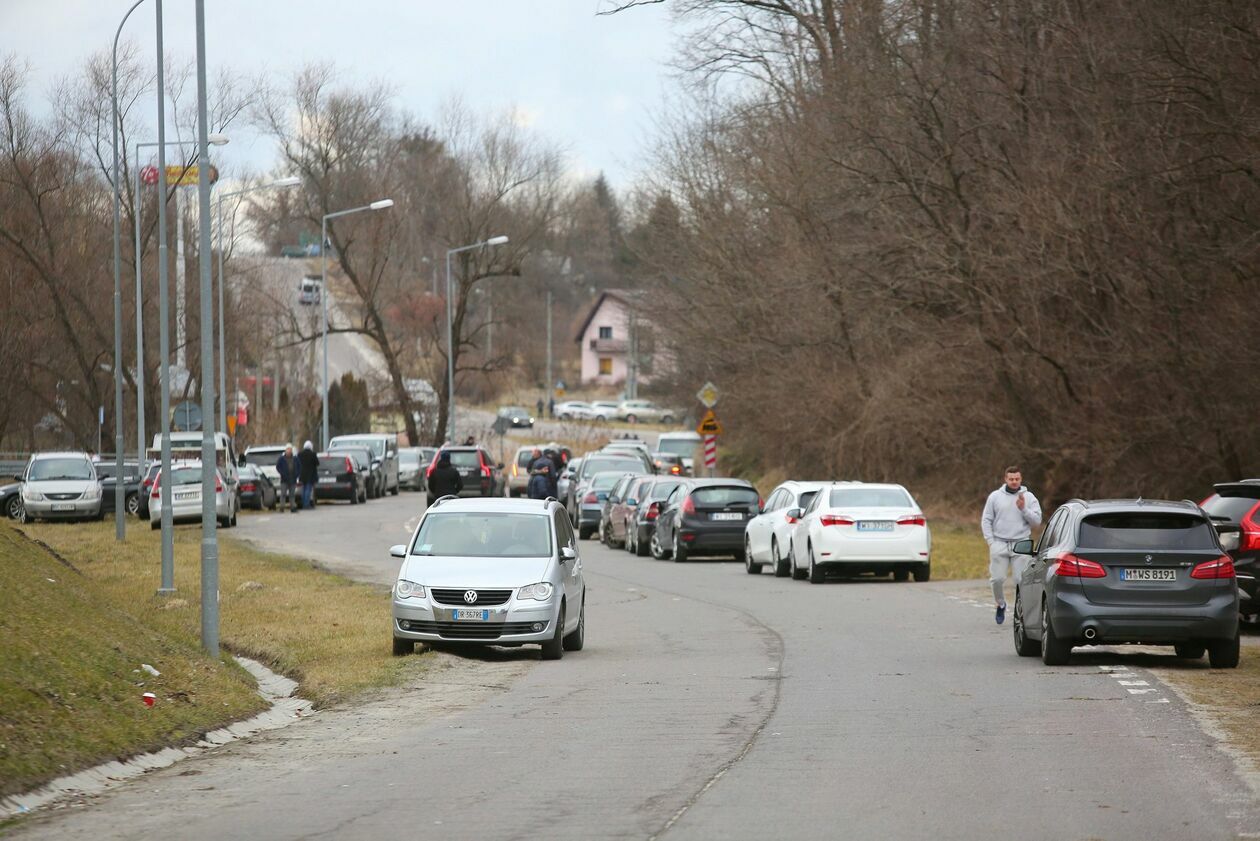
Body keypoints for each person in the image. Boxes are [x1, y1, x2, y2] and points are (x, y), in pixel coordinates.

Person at [981, 465, 1043, 625]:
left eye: (1017, 479)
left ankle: (1020, 610)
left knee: (1020, 580)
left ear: (1021, 479)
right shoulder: (995, 497)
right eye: (1011, 479)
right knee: (997, 579)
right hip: (999, 542)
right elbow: (986, 519)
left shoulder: (1029, 497)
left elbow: (1037, 522)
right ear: (1005, 479)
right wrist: (990, 541)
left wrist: (1023, 509)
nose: (1014, 482)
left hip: (1021, 543)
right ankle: (1000, 603)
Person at [275, 445, 299, 512]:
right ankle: (282, 507)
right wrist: (282, 473)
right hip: (284, 479)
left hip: (293, 479)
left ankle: (293, 507)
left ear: (291, 451)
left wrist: (297, 474)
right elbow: (277, 467)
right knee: (283, 494)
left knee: (292, 494)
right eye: (288, 450)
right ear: (285, 451)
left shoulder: (295, 458)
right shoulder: (281, 459)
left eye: (290, 450)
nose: (289, 451)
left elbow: (299, 466)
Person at [298, 440, 320, 510]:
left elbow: (297, 463)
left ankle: (303, 503)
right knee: (308, 490)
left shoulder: (300, 454)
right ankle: (306, 505)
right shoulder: (313, 454)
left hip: (302, 474)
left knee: (303, 490)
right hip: (310, 475)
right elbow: (317, 463)